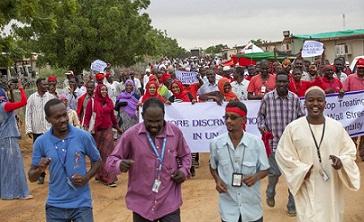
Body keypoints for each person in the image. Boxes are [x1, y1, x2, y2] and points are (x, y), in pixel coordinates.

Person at [276, 86, 360, 222]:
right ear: (305, 103)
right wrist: (301, 170)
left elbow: (349, 152)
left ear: (325, 104)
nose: (315, 104)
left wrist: (342, 162)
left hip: (331, 187)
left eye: (319, 100)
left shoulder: (336, 127)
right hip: (306, 184)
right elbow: (283, 155)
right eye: (311, 100)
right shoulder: (294, 128)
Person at [106, 98, 192, 222]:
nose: (154, 125)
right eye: (149, 121)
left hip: (169, 201)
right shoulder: (131, 135)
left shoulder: (175, 133)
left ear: (164, 116)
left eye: (158, 121)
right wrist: (119, 164)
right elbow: (110, 161)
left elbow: (186, 155)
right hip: (142, 203)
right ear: (142, 116)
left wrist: (183, 171)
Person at [28, 99, 102, 221]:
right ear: (48, 119)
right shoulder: (41, 142)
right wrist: (39, 170)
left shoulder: (83, 136)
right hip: (55, 206)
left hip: (81, 204)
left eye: (64, 115)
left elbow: (98, 161)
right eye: (57, 117)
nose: (63, 120)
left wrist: (85, 178)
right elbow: (31, 177)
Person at [210, 100, 270, 222]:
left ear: (244, 120)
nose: (228, 121)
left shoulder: (256, 143)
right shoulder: (216, 143)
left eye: (233, 117)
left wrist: (255, 177)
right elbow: (212, 166)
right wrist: (217, 180)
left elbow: (266, 168)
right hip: (228, 208)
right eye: (226, 117)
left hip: (251, 208)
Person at [257, 72, 305, 216]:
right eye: (279, 82)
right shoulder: (267, 98)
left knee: (293, 176)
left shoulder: (295, 99)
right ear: (275, 82)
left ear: (288, 82)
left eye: (285, 82)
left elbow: (302, 118)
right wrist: (263, 128)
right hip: (273, 143)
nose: (282, 85)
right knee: (274, 173)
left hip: (292, 146)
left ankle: (292, 205)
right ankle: (270, 192)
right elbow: (260, 116)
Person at [83, 84, 122, 187]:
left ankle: (109, 178)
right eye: (102, 90)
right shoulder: (92, 102)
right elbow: (87, 116)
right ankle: (99, 175)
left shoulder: (109, 102)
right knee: (98, 154)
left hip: (107, 130)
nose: (104, 92)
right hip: (96, 132)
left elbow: (112, 116)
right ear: (99, 91)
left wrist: (117, 128)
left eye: (105, 90)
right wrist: (85, 129)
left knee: (108, 154)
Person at [0, 79, 32, 200]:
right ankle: (20, 192)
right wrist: (21, 87)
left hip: (3, 138)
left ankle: (6, 191)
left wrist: (12, 91)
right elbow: (23, 101)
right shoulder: (5, 106)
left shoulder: (2, 106)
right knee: (15, 164)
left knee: (5, 165)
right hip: (9, 138)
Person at [25, 78, 56, 184]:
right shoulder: (32, 98)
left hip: (49, 130)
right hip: (37, 130)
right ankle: (41, 175)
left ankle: (54, 174)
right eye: (43, 84)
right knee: (39, 154)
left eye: (46, 84)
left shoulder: (51, 97)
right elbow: (28, 113)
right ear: (38, 85)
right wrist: (29, 128)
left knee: (52, 152)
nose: (46, 86)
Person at [343, 58, 364, 161]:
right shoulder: (350, 78)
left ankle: (363, 153)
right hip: (352, 111)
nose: (361, 70)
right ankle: (352, 153)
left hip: (363, 112)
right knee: (352, 133)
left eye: (363, 68)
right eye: (359, 68)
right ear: (356, 68)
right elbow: (345, 90)